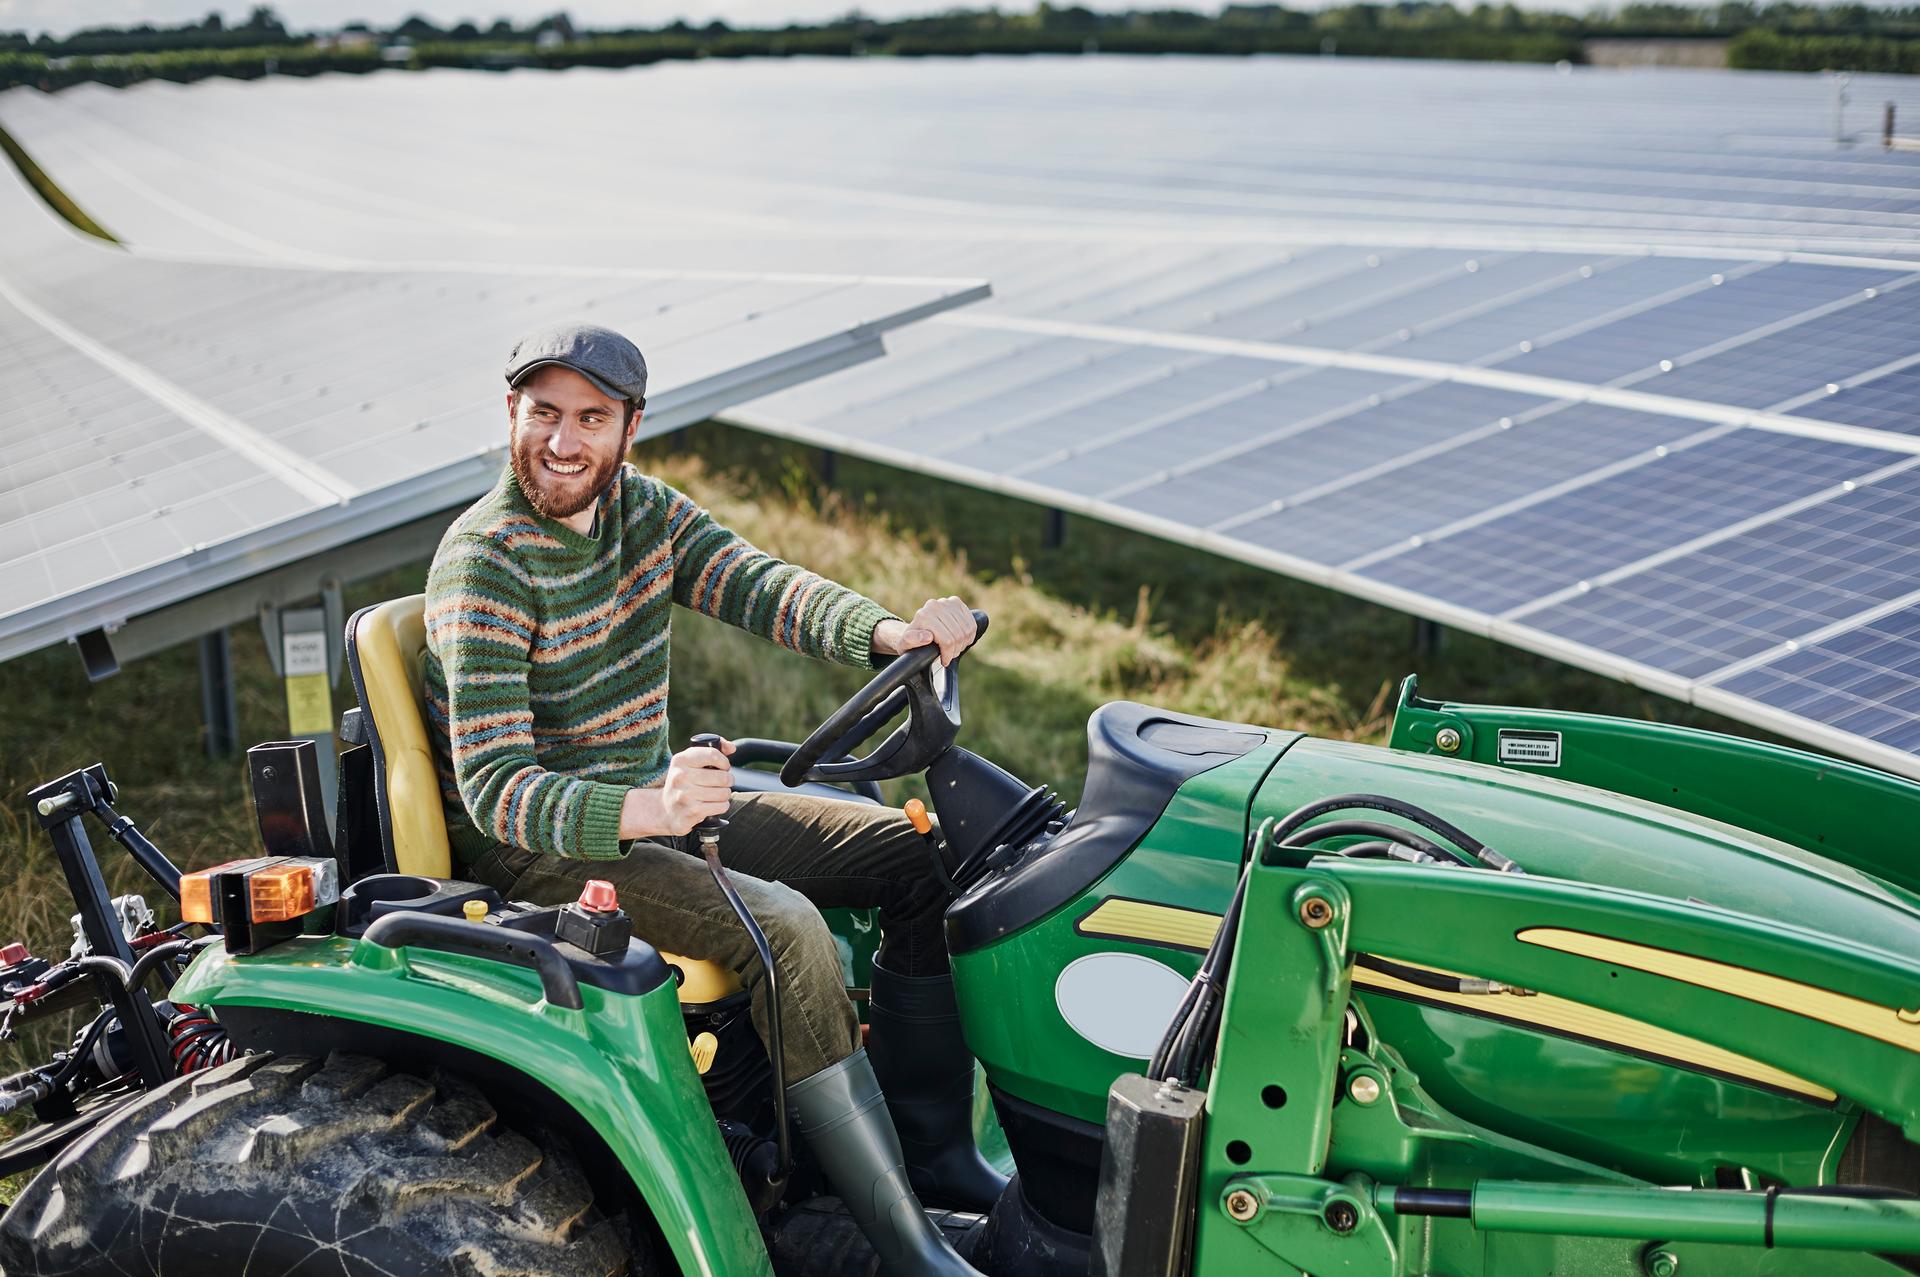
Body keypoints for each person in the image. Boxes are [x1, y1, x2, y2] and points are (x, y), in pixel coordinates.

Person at [423, 322, 997, 1276]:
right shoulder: (484, 564)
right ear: (512, 413)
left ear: (630, 428)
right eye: (545, 413)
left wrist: (888, 633)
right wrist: (648, 812)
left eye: (590, 419)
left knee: (913, 854)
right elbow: (493, 790)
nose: (563, 442)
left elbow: (761, 584)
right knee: (786, 928)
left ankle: (934, 1157)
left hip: (661, 810)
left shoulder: (641, 515)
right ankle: (905, 1248)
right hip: (542, 846)